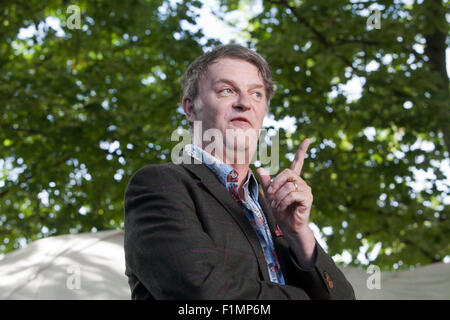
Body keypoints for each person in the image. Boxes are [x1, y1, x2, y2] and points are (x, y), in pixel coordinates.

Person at [124, 44, 355, 299]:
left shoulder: (275, 207)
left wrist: (299, 234)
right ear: (190, 108)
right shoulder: (160, 184)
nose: (245, 103)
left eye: (256, 94)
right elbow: (205, 294)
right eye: (227, 90)